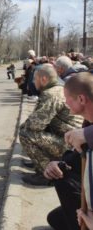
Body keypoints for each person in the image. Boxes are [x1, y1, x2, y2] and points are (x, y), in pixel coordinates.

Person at [43, 72, 93, 230]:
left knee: (64, 180)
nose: (65, 103)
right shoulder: (87, 122)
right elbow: (79, 158)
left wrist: (87, 134)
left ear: (81, 99)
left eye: (67, 98)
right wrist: (57, 164)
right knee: (55, 219)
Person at [19, 64, 84, 186]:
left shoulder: (51, 94)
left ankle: (47, 174)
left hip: (72, 146)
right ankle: (40, 161)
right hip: (71, 140)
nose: (32, 82)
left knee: (26, 134)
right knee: (39, 131)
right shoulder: (59, 89)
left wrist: (24, 125)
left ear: (43, 79)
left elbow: (35, 125)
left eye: (34, 78)